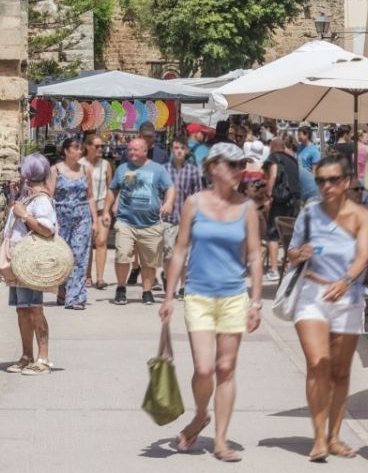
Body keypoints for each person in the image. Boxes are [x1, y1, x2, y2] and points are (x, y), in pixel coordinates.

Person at [160, 142, 264, 463]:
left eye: (241, 165)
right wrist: (168, 295)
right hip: (199, 295)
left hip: (234, 296)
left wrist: (256, 302)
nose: (238, 171)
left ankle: (220, 441)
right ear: (213, 167)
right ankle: (201, 414)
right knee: (204, 369)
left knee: (225, 368)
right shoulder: (194, 203)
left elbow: (255, 256)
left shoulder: (248, 208)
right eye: (232, 165)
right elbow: (179, 250)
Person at [286, 155, 368, 461]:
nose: (326, 186)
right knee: (317, 363)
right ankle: (318, 438)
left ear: (346, 182)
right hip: (312, 294)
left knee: (339, 371)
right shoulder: (308, 215)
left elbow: (364, 256)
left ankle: (334, 436)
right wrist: (300, 252)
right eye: (321, 180)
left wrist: (347, 281)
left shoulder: (362, 216)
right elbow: (291, 254)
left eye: (332, 180)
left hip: (348, 298)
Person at [101, 137, 175, 306]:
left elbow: (170, 187)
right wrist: (106, 210)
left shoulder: (158, 170)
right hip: (126, 221)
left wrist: (169, 202)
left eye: (135, 149)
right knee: (122, 255)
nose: (131, 152)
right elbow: (113, 190)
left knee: (149, 261)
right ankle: (121, 288)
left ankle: (147, 291)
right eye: (130, 149)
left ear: (144, 150)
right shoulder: (123, 169)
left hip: (151, 224)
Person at [7, 153, 57, 375]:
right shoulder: (27, 197)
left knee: (35, 309)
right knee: (22, 310)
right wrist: (14, 196)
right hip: (20, 261)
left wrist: (24, 215)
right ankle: (26, 355)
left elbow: (47, 229)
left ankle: (43, 358)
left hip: (32, 261)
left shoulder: (42, 201)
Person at [51, 137, 97, 310]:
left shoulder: (86, 170)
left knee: (79, 255)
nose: (79, 152)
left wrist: (95, 221)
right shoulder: (55, 170)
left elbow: (90, 196)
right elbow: (50, 194)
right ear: (66, 151)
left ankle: (76, 297)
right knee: (62, 256)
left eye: (80, 149)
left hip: (82, 216)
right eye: (76, 148)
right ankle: (62, 291)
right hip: (61, 216)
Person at [163, 136, 203, 295]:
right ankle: (167, 277)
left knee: (185, 255)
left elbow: (198, 193)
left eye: (181, 148)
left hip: (187, 219)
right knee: (168, 254)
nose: (179, 151)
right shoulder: (164, 169)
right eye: (176, 148)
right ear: (172, 150)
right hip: (168, 218)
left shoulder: (193, 170)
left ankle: (182, 286)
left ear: (186, 150)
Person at [263, 136, 301, 282]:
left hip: (280, 200)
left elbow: (272, 176)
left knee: (273, 234)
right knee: (290, 235)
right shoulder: (293, 160)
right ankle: (289, 267)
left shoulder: (274, 157)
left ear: (272, 147)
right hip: (295, 201)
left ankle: (273, 270)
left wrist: (268, 196)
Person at [84, 134, 113, 290]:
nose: (100, 149)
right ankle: (87, 276)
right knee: (87, 243)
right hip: (85, 210)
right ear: (88, 147)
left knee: (101, 241)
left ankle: (100, 278)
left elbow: (111, 187)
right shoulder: (80, 164)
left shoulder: (105, 165)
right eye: (97, 146)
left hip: (102, 208)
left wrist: (109, 208)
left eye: (102, 146)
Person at [296, 124, 322, 205]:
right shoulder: (299, 148)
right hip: (299, 182)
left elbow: (315, 169)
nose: (298, 137)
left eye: (299, 134)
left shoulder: (314, 151)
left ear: (306, 135)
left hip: (309, 184)